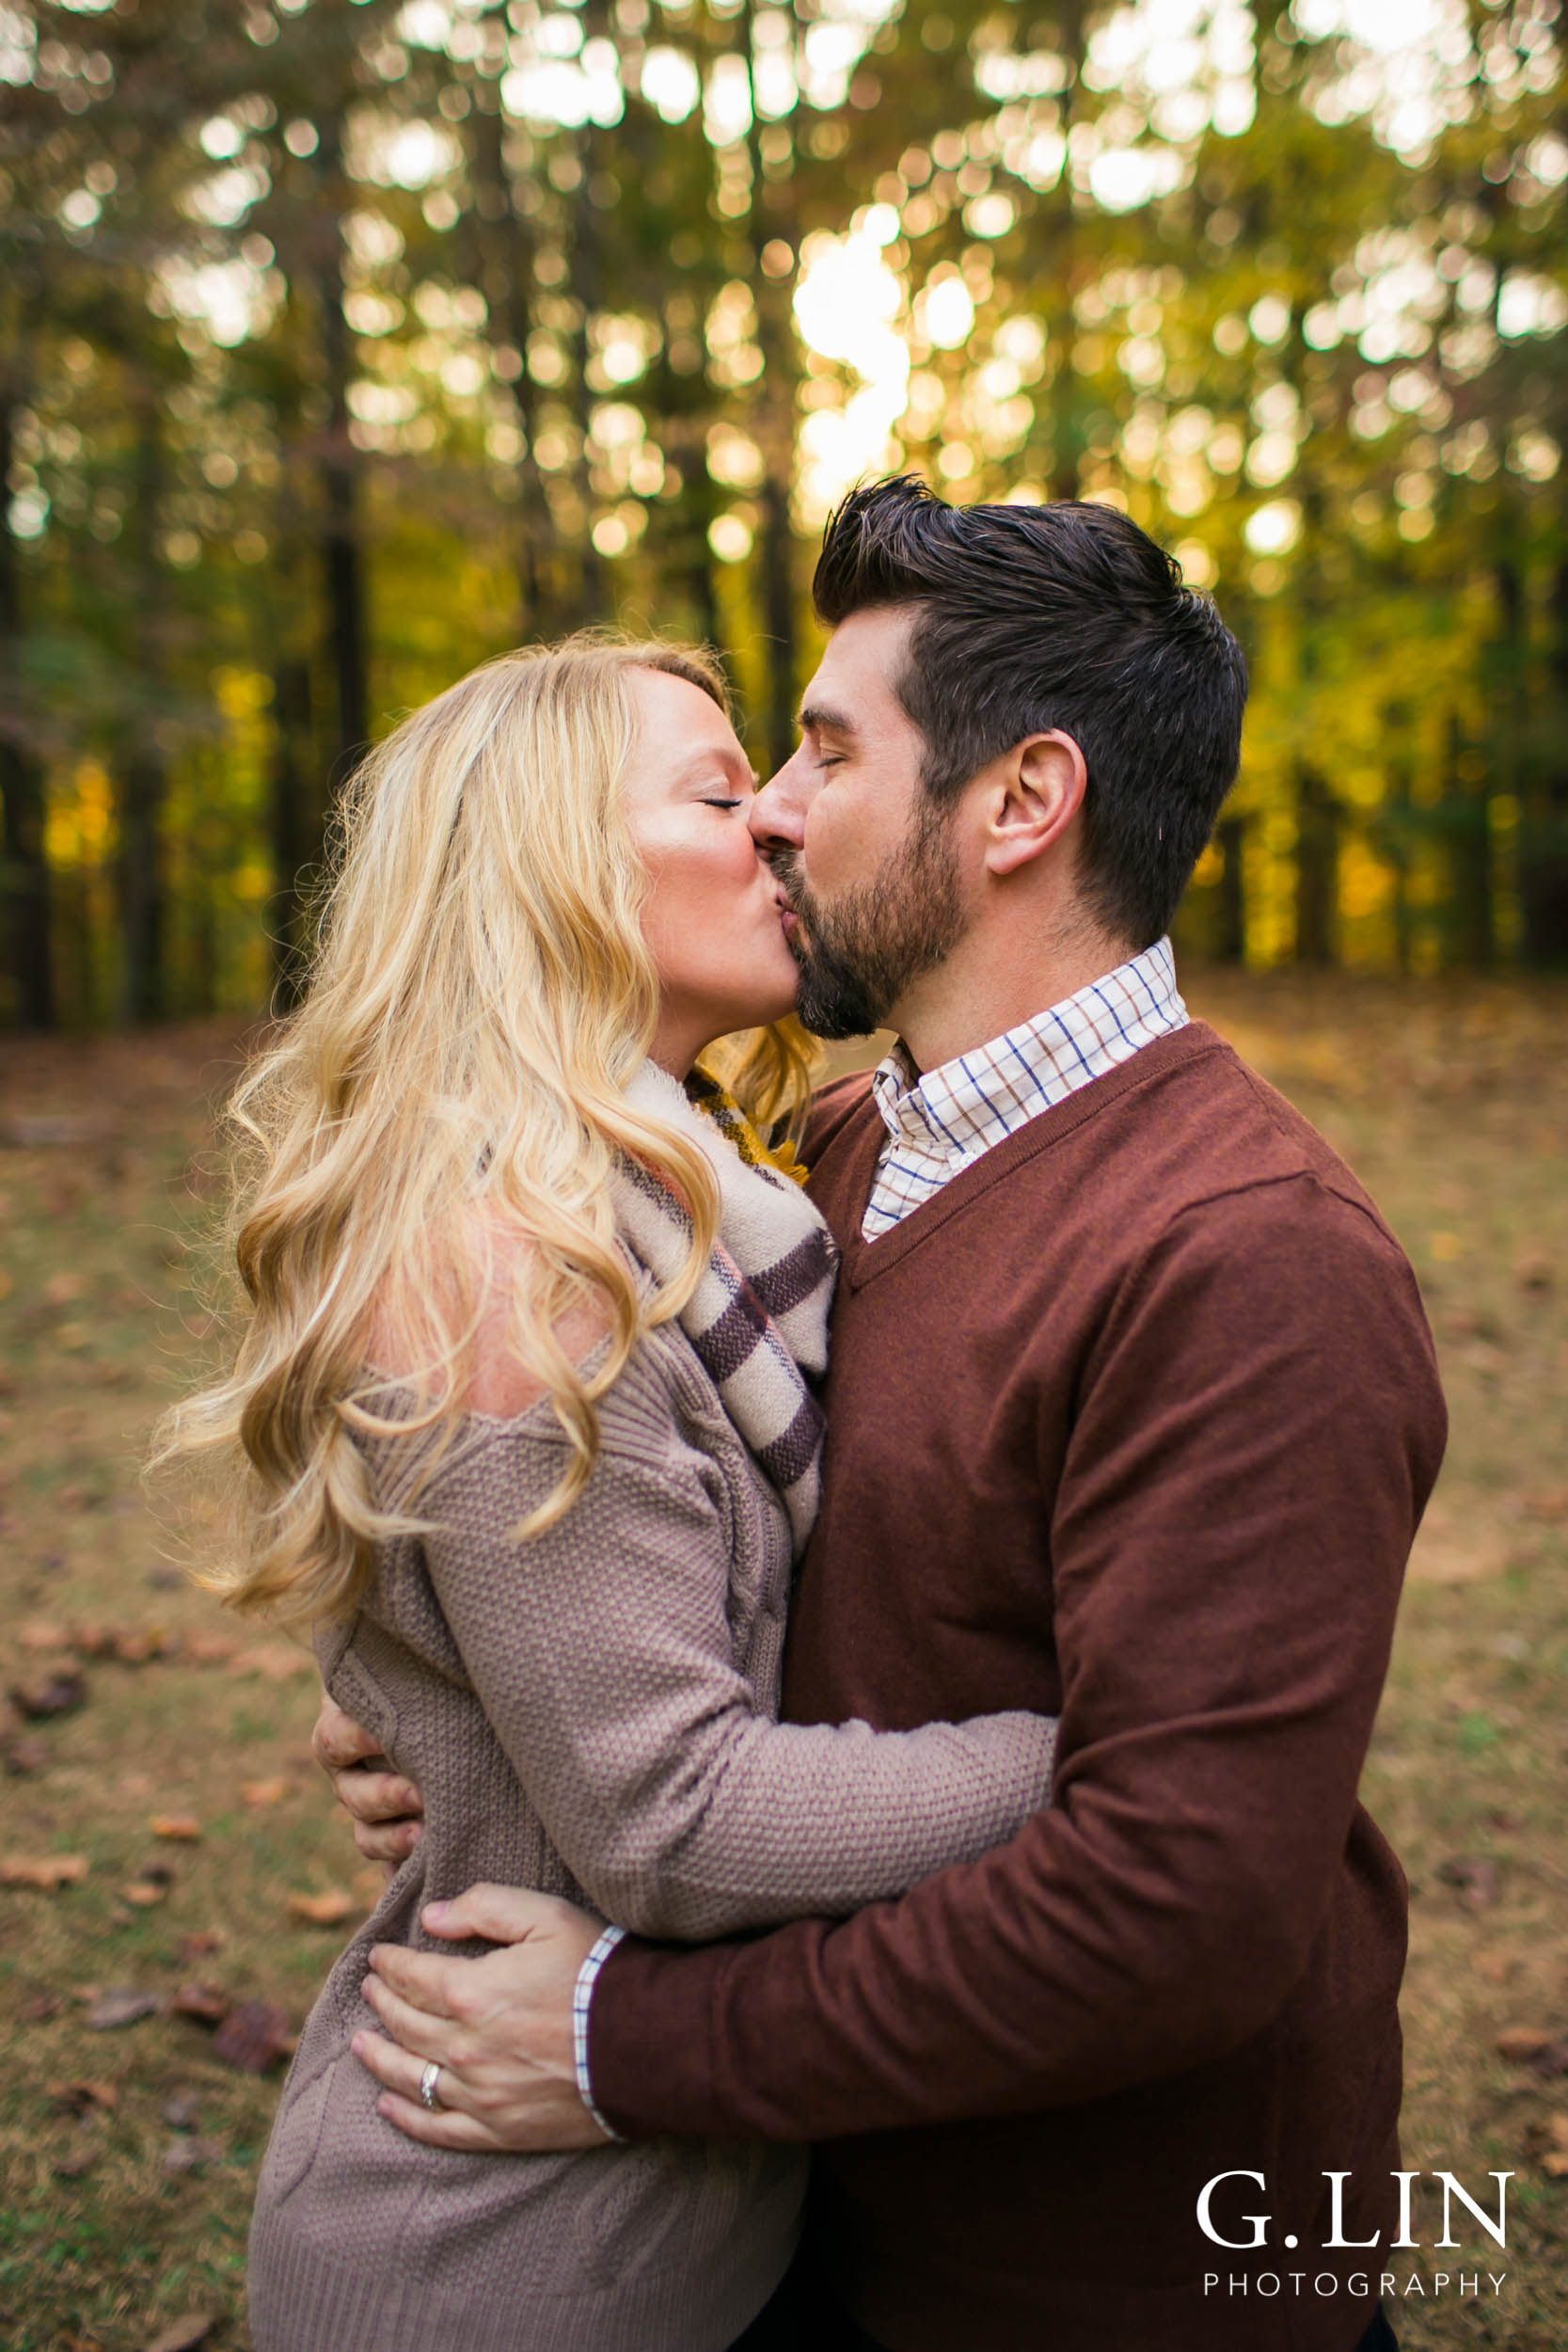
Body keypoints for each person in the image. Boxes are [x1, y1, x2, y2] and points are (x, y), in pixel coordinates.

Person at [323, 482, 1447, 2352]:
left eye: (827, 750)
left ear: (1018, 802)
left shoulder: (1255, 1262)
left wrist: (629, 2037)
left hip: (1102, 2269)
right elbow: (667, 1548)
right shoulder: (812, 1167)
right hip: (813, 2211)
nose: (770, 803)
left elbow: (1179, 1901)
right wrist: (460, 1701)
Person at [165, 633, 1062, 2352]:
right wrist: (1093, 1759)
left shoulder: (693, 1200)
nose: (783, 825)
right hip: (497, 2262)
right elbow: (674, 1823)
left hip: (681, 2224)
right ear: (554, 870)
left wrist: (453, 1724)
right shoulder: (515, 1281)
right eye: (723, 793)